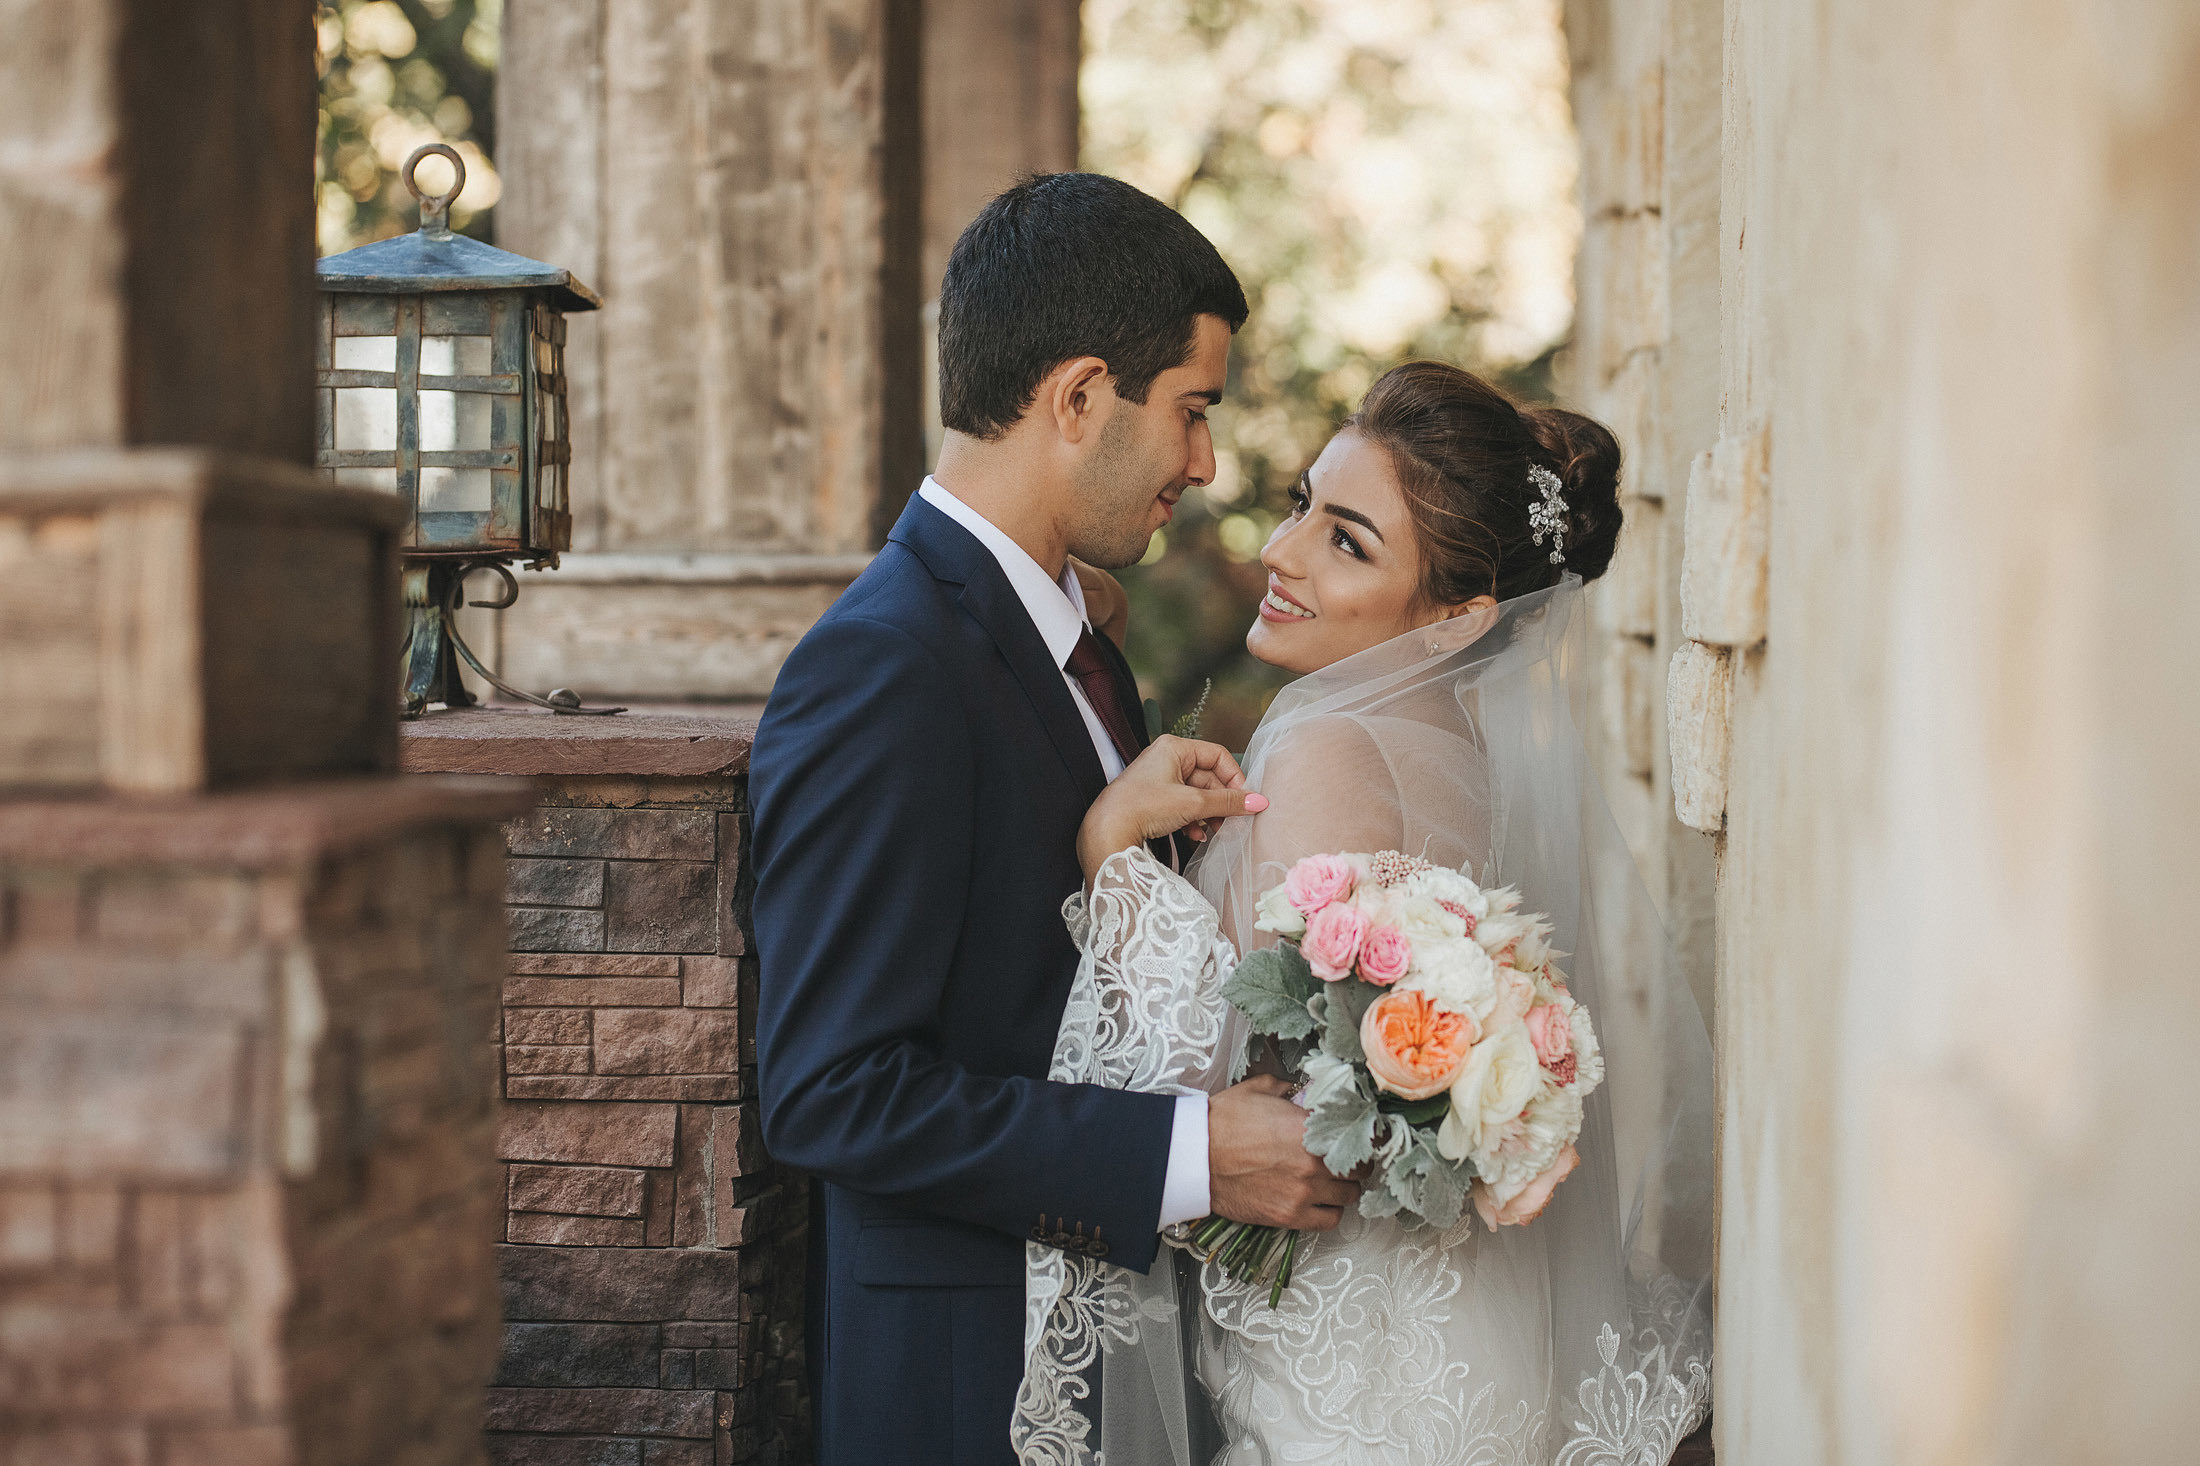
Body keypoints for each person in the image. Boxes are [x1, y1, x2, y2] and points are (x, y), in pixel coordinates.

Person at [749, 173, 1360, 1466]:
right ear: (1080, 398)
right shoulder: (884, 666)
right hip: (963, 1385)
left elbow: (1055, 983)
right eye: (1193, 411)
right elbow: (832, 1092)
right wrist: (1194, 1153)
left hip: (1108, 1362)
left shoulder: (1080, 648)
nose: (1204, 463)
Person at [1014, 361, 1716, 1463]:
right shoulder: (1459, 749)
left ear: (1453, 619)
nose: (1282, 551)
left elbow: (1241, 1096)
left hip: (1347, 1374)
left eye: (1347, 540)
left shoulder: (1327, 739)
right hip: (1448, 1337)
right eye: (1302, 504)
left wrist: (1112, 854)